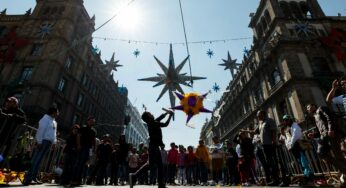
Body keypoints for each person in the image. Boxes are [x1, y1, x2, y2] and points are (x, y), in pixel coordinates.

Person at [129, 109, 173, 188]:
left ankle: (161, 184)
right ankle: (134, 176)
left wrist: (167, 113)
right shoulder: (153, 123)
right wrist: (170, 115)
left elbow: (160, 117)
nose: (152, 114)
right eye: (150, 114)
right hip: (153, 147)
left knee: (160, 166)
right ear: (148, 117)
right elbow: (165, 124)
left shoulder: (152, 122)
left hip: (155, 146)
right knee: (150, 165)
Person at [306, 104, 346, 188]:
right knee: (321, 152)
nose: (308, 109)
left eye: (308, 107)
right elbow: (319, 131)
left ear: (314, 106)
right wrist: (314, 134)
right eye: (307, 109)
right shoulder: (315, 116)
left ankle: (345, 175)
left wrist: (330, 129)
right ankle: (344, 171)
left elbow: (329, 117)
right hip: (324, 136)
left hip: (331, 135)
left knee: (338, 156)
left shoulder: (321, 108)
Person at [241, 110, 281, 186]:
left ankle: (277, 179)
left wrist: (274, 141)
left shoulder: (269, 120)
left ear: (263, 114)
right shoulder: (260, 123)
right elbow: (254, 131)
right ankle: (274, 179)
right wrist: (245, 130)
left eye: (258, 115)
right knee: (269, 163)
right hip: (264, 146)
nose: (257, 116)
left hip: (270, 144)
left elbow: (273, 131)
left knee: (273, 162)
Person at [23, 107, 59, 186]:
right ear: (53, 112)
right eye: (57, 112)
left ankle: (34, 177)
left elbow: (54, 133)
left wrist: (54, 142)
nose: (58, 114)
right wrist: (39, 141)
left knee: (39, 161)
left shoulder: (54, 122)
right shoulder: (45, 119)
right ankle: (29, 178)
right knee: (36, 160)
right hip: (43, 141)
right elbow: (41, 130)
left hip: (49, 142)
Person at [281, 115, 314, 186]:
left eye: (286, 120)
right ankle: (307, 179)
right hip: (294, 148)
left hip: (298, 146)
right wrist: (289, 145)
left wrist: (290, 145)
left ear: (290, 120)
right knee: (300, 163)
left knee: (304, 162)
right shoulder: (288, 128)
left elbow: (295, 136)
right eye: (284, 121)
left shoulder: (295, 125)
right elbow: (288, 139)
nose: (285, 122)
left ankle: (310, 179)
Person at [71, 116, 97, 186]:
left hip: (88, 149)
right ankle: (74, 179)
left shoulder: (93, 131)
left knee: (83, 165)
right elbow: (78, 136)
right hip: (82, 147)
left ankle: (79, 179)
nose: (92, 122)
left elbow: (93, 141)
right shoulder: (83, 128)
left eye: (93, 121)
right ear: (87, 121)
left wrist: (93, 149)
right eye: (90, 121)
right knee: (78, 163)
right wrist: (79, 145)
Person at [0, 96, 26, 165]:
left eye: (10, 102)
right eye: (7, 102)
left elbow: (23, 119)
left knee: (4, 152)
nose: (7, 103)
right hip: (1, 132)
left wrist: (13, 116)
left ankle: (1, 164)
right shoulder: (4, 109)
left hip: (9, 135)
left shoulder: (19, 111)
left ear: (15, 104)